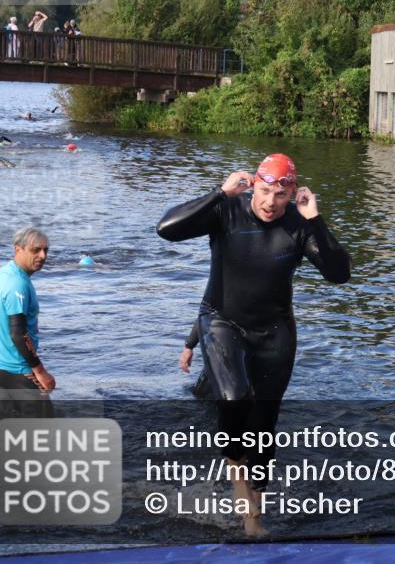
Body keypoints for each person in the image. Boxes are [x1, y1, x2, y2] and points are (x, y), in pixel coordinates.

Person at [157, 154, 351, 536]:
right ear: (253, 187)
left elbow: (339, 274)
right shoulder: (227, 210)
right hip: (222, 321)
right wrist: (218, 192)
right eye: (263, 192)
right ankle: (249, 511)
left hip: (275, 330)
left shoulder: (298, 224)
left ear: (292, 192)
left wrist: (315, 220)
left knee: (263, 428)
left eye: (280, 196)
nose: (269, 203)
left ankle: (253, 501)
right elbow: (167, 229)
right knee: (233, 400)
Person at [0, 228, 55, 417]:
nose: (42, 256)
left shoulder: (5, 272)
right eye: (35, 250)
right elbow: (18, 333)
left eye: (45, 250)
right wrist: (40, 371)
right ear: (18, 249)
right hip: (16, 370)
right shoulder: (18, 284)